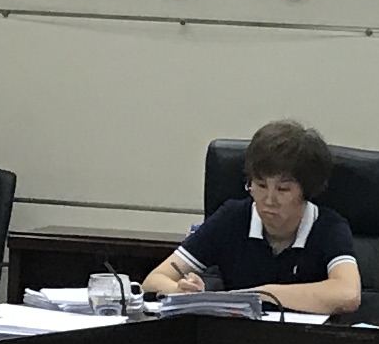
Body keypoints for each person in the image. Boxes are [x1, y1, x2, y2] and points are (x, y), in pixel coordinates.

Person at [143, 118, 364, 314]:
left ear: (306, 191)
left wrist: (262, 294)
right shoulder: (232, 218)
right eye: (260, 185)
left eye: (283, 189)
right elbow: (154, 280)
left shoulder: (329, 227)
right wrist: (180, 291)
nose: (269, 199)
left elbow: (347, 294)